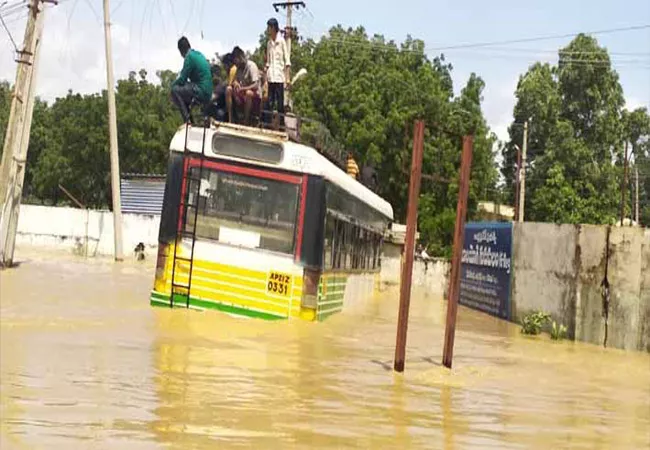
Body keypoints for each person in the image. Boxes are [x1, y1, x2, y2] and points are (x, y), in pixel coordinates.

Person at [170, 37, 213, 124]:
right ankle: (191, 120)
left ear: (181, 51)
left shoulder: (189, 57)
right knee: (184, 92)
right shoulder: (198, 54)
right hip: (208, 92)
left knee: (175, 90)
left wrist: (172, 86)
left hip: (201, 91)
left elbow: (182, 79)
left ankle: (187, 121)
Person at [264, 18, 291, 123]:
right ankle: (267, 123)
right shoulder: (269, 43)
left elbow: (287, 61)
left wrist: (287, 78)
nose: (268, 30)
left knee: (280, 103)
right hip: (271, 76)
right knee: (269, 102)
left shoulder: (282, 42)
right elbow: (268, 62)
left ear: (273, 28)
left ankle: (281, 125)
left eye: (269, 28)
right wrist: (266, 79)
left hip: (279, 76)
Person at [226, 47, 261, 125]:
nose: (236, 63)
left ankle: (246, 120)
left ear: (240, 57)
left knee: (248, 93)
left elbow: (256, 85)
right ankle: (230, 119)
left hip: (254, 96)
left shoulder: (251, 66)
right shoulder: (238, 68)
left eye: (236, 60)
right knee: (228, 89)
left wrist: (243, 88)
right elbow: (234, 80)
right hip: (242, 94)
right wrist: (235, 83)